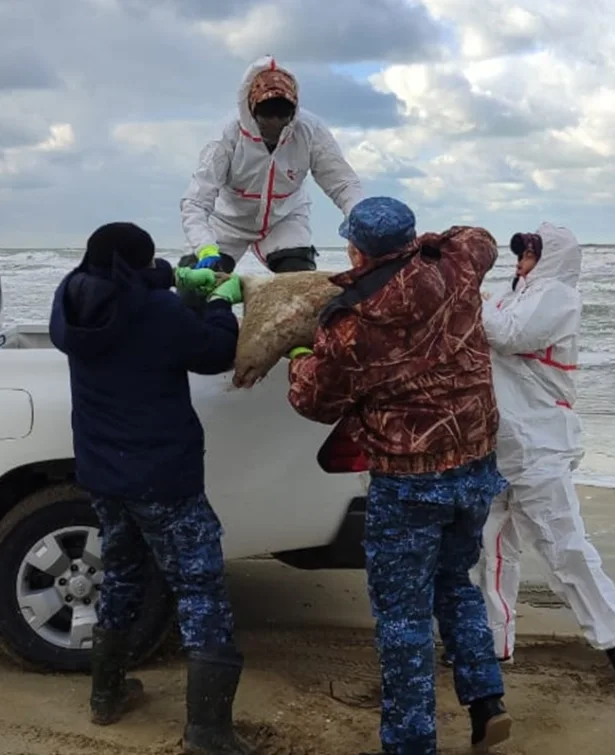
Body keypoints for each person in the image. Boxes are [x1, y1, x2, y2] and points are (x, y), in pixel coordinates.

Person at [285, 197, 511, 755]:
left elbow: (312, 400)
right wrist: (422, 248)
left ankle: (412, 743)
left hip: (409, 482)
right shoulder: (457, 262)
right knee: (454, 583)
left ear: (358, 251)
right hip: (475, 462)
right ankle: (486, 702)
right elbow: (479, 234)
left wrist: (298, 356)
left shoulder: (354, 323)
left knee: (402, 618)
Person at [49, 222, 254, 755]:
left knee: (119, 576)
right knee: (201, 590)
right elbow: (215, 353)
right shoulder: (155, 311)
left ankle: (106, 695)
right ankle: (208, 730)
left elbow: (137, 288)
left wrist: (170, 278)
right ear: (137, 266)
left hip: (103, 474)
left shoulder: (69, 300)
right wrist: (216, 302)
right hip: (165, 477)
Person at [473, 223, 615, 704]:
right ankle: (494, 643)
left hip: (540, 446)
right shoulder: (509, 296)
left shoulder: (557, 298)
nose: (521, 261)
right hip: (497, 443)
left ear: (550, 257)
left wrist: (467, 295)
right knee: (489, 550)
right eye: (521, 253)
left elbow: (508, 336)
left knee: (564, 549)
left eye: (530, 253)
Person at [181, 56, 363, 274]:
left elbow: (343, 184)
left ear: (294, 110)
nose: (275, 122)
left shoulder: (311, 131)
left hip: (285, 218)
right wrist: (205, 247)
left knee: (298, 281)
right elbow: (196, 201)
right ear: (251, 108)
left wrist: (362, 223)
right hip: (226, 221)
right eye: (267, 114)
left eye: (283, 113)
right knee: (196, 283)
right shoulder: (226, 136)